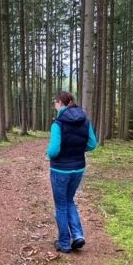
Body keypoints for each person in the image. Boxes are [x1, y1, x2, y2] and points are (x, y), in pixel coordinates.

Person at [46, 91, 98, 253]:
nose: (55, 105)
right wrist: (77, 151)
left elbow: (54, 151)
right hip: (78, 168)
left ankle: (64, 243)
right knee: (69, 201)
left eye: (55, 102)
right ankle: (77, 235)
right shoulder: (85, 121)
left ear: (60, 103)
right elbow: (92, 144)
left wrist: (49, 154)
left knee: (61, 205)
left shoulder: (58, 123)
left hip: (60, 169)